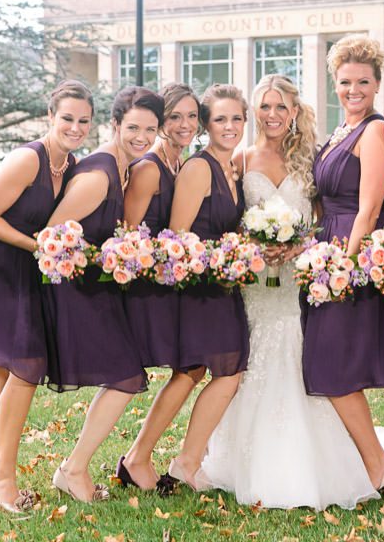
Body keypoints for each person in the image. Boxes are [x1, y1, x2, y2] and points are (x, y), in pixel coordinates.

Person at [199, 74, 382, 509]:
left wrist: (302, 245)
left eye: (282, 106)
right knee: (255, 359)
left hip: (298, 281)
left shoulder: (310, 159)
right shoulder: (239, 160)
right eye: (265, 106)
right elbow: (229, 216)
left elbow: (323, 217)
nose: (273, 114)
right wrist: (252, 247)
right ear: (254, 112)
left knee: (300, 356)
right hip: (258, 285)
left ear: (295, 111)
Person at [0, 79, 93, 513]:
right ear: (50, 117)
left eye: (83, 120)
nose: (75, 126)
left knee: (4, 371)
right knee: (26, 366)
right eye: (67, 118)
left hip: (27, 266)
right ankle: (4, 476)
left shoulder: (73, 164)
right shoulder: (28, 159)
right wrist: (38, 247)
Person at [44, 86, 164, 502]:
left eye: (150, 129)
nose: (142, 137)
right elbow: (51, 236)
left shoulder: (124, 167)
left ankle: (74, 468)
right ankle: (73, 469)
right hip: (74, 291)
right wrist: (101, 260)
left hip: (96, 289)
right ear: (115, 125)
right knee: (125, 376)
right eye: (132, 127)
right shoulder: (99, 176)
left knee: (126, 376)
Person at [300, 34, 384, 491]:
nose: (353, 89)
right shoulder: (339, 132)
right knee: (325, 362)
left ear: (378, 83)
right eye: (345, 81)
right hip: (325, 249)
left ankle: (378, 463)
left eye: (363, 81)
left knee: (333, 364)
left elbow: (368, 207)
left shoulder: (376, 131)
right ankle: (370, 460)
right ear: (334, 83)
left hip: (351, 255)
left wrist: (342, 265)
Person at [116, 83, 205, 492]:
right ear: (161, 123)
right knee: (134, 375)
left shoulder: (178, 161)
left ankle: (138, 457)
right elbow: (128, 236)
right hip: (144, 288)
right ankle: (123, 459)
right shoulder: (150, 166)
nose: (185, 124)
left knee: (192, 366)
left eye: (191, 116)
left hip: (169, 282)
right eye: (175, 117)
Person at [164, 84, 250, 491]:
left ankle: (174, 459)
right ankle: (186, 460)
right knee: (226, 372)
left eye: (236, 118)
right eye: (220, 119)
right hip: (200, 287)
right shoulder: (199, 168)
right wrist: (221, 258)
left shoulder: (232, 169)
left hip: (223, 285)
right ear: (206, 125)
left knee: (199, 372)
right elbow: (177, 237)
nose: (229, 126)